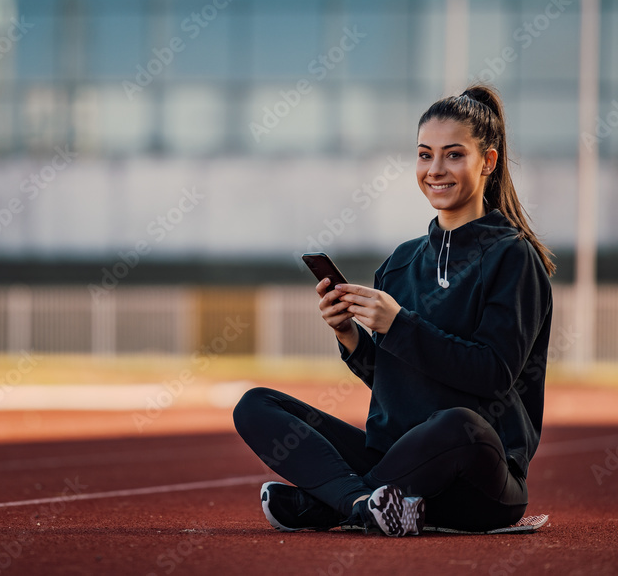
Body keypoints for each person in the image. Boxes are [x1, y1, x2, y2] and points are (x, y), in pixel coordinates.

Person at [233, 84, 555, 536]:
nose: (435, 170)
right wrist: (350, 336)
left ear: (489, 161)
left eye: (453, 155)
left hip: (476, 477)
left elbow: (492, 374)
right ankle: (363, 504)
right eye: (425, 155)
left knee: (459, 425)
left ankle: (332, 504)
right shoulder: (401, 263)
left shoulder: (513, 258)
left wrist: (399, 324)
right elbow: (393, 382)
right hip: (394, 463)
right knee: (256, 405)